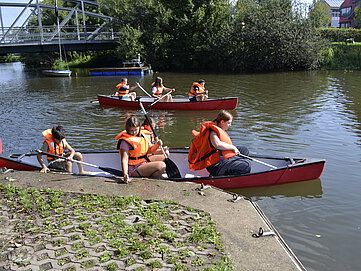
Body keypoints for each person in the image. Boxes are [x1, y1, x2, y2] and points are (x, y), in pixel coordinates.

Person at [188, 110, 251, 176]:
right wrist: (233, 147)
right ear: (222, 122)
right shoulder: (213, 133)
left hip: (220, 159)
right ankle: (229, 176)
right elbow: (217, 144)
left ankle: (236, 163)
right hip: (216, 166)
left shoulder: (217, 129)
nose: (230, 125)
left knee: (243, 149)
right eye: (229, 123)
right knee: (246, 166)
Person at [116, 116, 166, 183]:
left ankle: (153, 178)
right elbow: (124, 159)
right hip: (134, 169)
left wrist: (157, 145)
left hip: (142, 162)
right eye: (131, 130)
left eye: (135, 130)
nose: (133, 132)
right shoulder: (125, 142)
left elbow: (150, 150)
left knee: (164, 157)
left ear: (139, 127)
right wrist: (125, 174)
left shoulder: (143, 135)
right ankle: (153, 180)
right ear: (127, 129)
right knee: (161, 165)